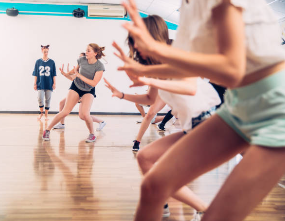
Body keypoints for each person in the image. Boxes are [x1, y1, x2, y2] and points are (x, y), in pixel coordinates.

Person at [117, 0, 285, 220]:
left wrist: (156, 53)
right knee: (153, 186)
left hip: (274, 111)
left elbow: (232, 70)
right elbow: (190, 67)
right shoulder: (188, 7)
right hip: (237, 106)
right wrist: (144, 71)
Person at [106, 14, 221, 220]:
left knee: (162, 179)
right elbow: (151, 98)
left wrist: (149, 78)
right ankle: (164, 203)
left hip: (209, 126)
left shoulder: (175, 55)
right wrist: (121, 94)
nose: (135, 51)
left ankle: (205, 209)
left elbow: (189, 87)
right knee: (145, 157)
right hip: (192, 128)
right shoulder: (157, 67)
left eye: (137, 44)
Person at [43, 43, 105, 142]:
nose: (86, 52)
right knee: (65, 111)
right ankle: (47, 130)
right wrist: (66, 74)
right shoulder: (81, 60)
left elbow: (93, 83)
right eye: (86, 50)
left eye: (89, 50)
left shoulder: (99, 66)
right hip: (76, 87)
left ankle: (92, 135)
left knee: (84, 114)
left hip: (88, 90)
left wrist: (79, 76)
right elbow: (74, 74)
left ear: (95, 53)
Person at [53, 52, 106, 131]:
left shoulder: (87, 70)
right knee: (63, 104)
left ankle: (100, 122)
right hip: (77, 91)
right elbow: (72, 78)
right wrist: (64, 74)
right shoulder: (80, 68)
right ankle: (62, 123)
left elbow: (89, 81)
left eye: (81, 57)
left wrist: (69, 74)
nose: (80, 59)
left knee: (83, 115)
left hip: (84, 92)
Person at [33, 45, 56, 120]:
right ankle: (41, 113)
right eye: (44, 52)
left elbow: (54, 74)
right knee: (40, 98)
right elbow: (36, 73)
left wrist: (54, 83)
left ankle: (46, 115)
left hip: (49, 83)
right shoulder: (38, 61)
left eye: (47, 52)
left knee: (48, 99)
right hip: (40, 83)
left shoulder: (52, 62)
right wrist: (35, 83)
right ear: (42, 51)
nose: (46, 53)